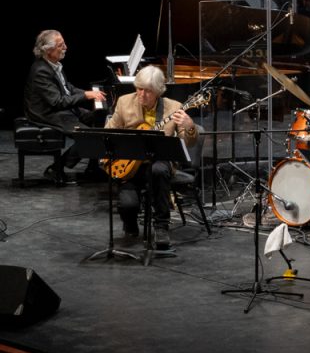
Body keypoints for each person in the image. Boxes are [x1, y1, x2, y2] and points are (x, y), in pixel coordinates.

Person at [105, 66, 198, 248]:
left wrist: (189, 127)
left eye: (148, 91)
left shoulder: (173, 107)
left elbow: (187, 143)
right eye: (139, 89)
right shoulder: (124, 102)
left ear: (158, 91)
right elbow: (109, 132)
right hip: (130, 165)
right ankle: (130, 224)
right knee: (128, 206)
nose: (142, 94)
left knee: (159, 170)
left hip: (158, 162)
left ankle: (161, 226)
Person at [24, 29, 107, 173]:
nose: (65, 47)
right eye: (60, 45)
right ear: (48, 50)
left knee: (101, 116)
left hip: (60, 108)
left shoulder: (54, 63)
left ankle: (92, 167)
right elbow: (57, 102)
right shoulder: (41, 71)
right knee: (89, 137)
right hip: (47, 112)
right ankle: (56, 168)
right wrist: (86, 96)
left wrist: (89, 93)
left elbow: (68, 88)